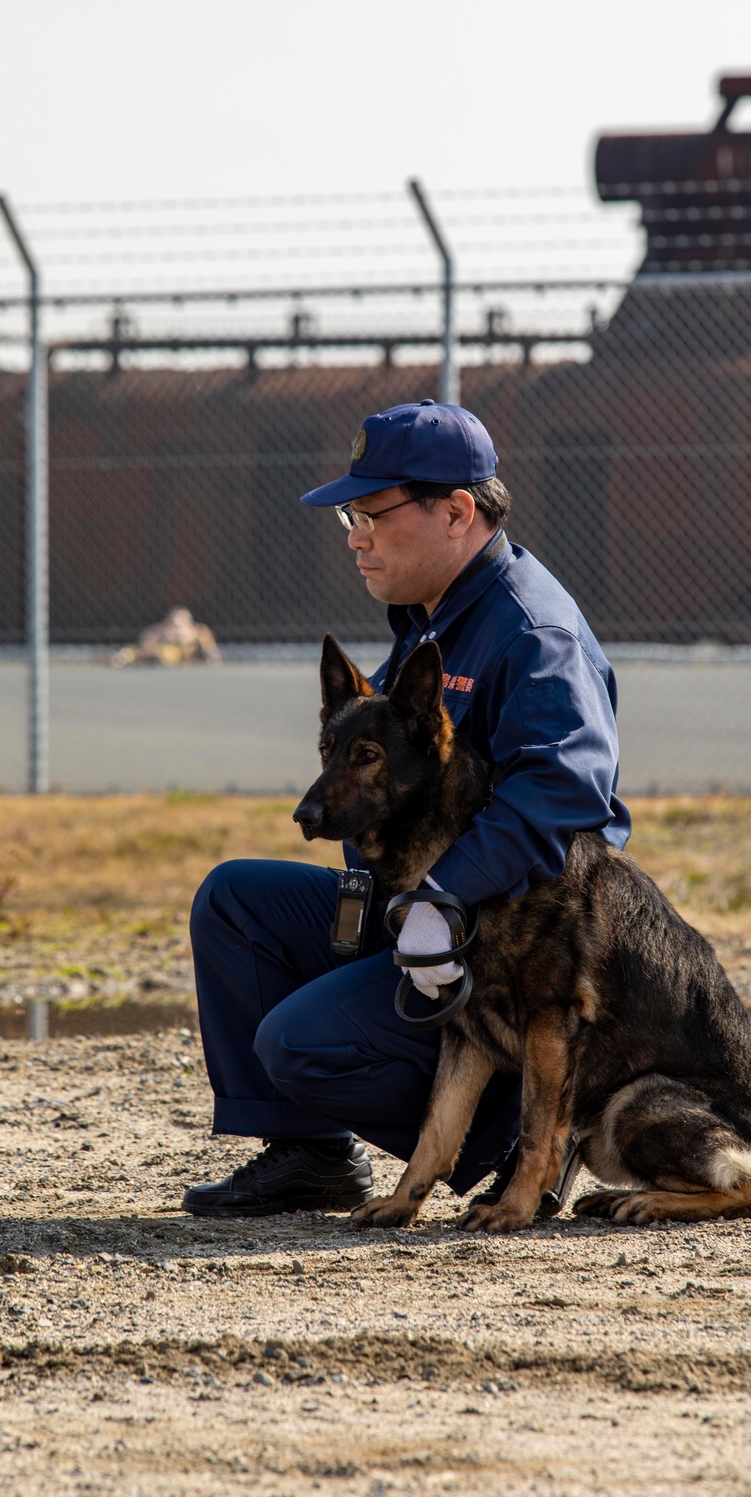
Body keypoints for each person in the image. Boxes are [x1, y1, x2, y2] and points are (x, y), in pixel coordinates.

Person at [182, 399, 630, 1218]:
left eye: (372, 513)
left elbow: (568, 790)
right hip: (417, 916)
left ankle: (520, 1132)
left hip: (502, 951)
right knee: (234, 901)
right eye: (351, 515)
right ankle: (308, 1157)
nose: (356, 533)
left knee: (299, 1041)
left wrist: (441, 899)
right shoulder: (433, 619)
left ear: (456, 512)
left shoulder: (533, 631)